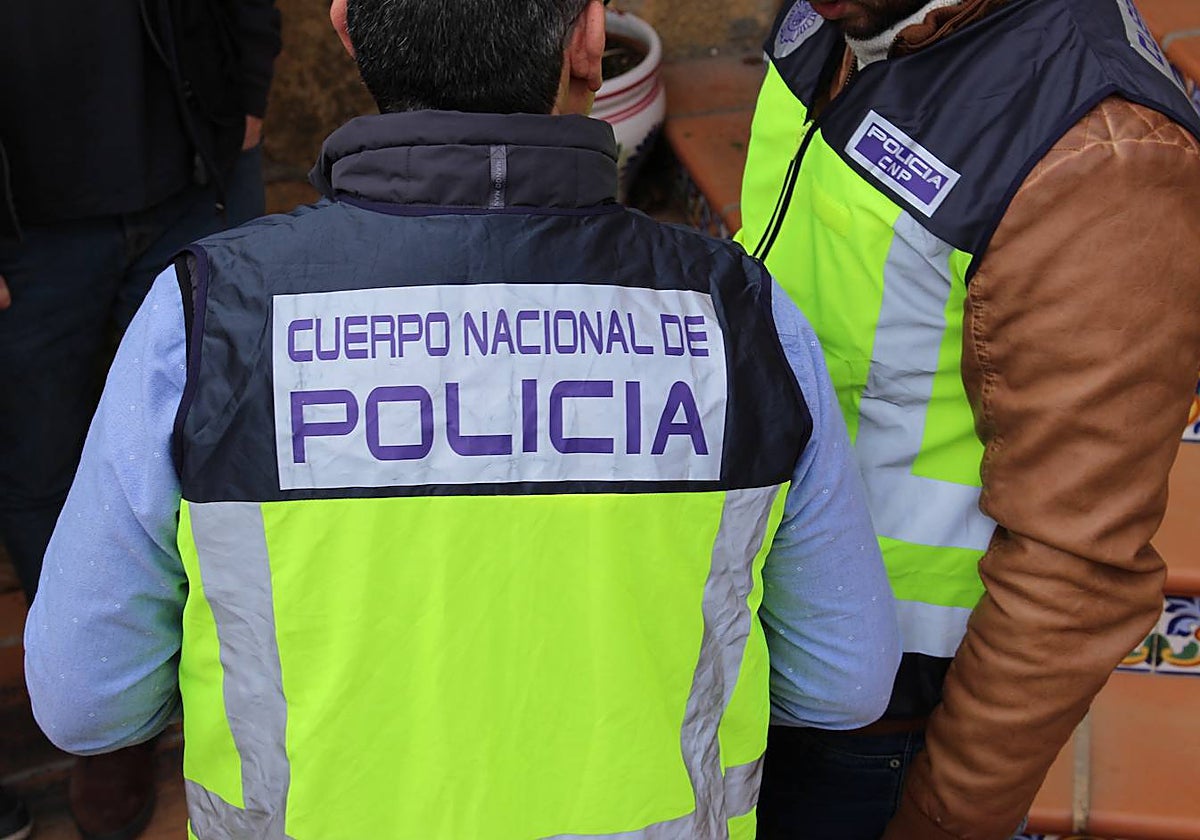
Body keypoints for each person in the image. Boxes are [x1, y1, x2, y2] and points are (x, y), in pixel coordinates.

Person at [23, 0, 901, 837]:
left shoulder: (207, 318)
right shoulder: (744, 314)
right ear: (590, 40)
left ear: (348, 36)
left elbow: (85, 697)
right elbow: (844, 682)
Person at [736, 0, 1200, 837]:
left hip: (869, 734)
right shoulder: (840, 15)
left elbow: (1074, 571)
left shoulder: (1104, 153)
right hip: (753, 636)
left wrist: (942, 822)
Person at [0, 2, 280, 837]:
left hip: (195, 183)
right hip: (28, 238)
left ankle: (217, 688)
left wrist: (252, 87)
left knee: (229, 454)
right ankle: (109, 734)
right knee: (41, 474)